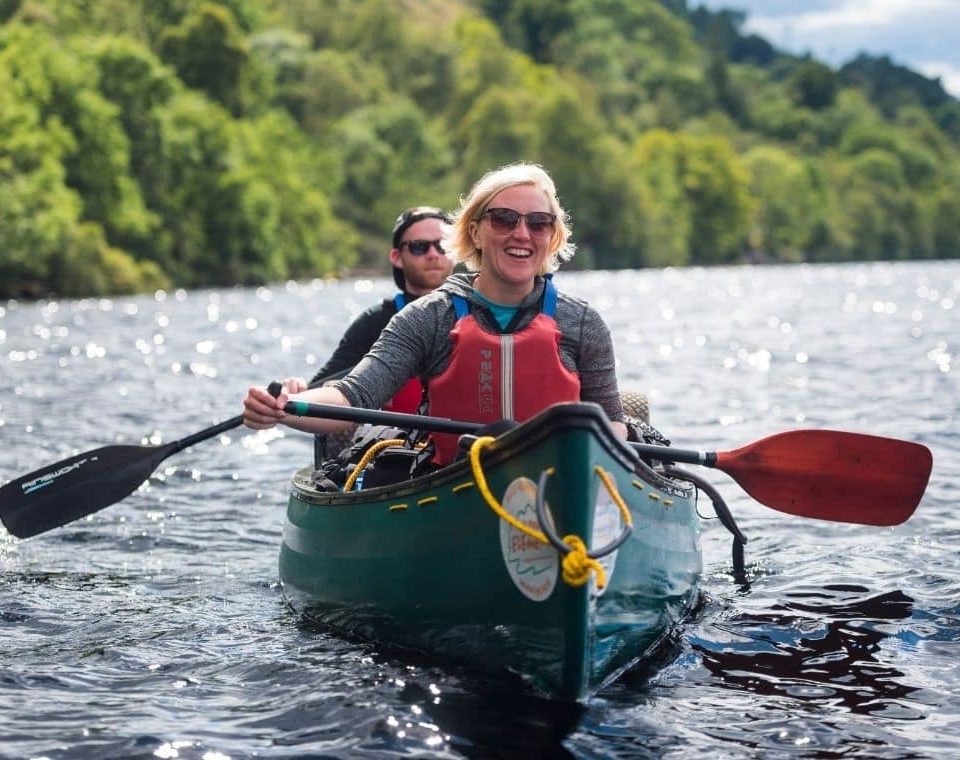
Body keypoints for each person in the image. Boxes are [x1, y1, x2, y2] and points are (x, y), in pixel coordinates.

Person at [244, 162, 627, 466]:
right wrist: (282, 409)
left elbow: (612, 424)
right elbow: (352, 398)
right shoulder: (429, 318)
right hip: (456, 482)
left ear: (552, 237)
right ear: (475, 232)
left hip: (559, 482)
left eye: (538, 223)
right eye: (505, 220)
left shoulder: (582, 322)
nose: (522, 234)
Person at [281, 206, 453, 415]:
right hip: (400, 441)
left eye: (443, 245)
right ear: (397, 257)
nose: (433, 254)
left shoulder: (479, 310)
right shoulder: (375, 322)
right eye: (419, 247)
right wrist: (296, 393)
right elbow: (322, 387)